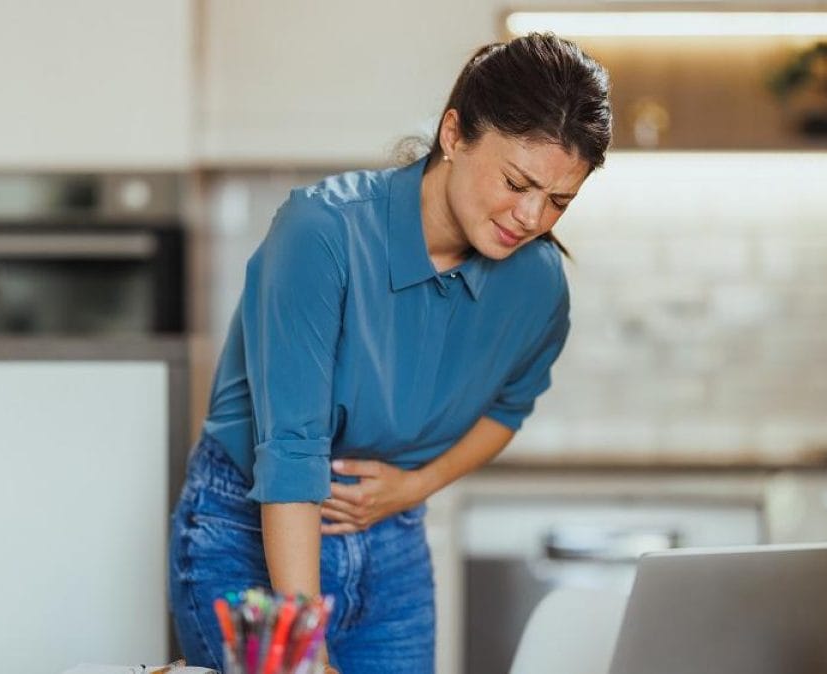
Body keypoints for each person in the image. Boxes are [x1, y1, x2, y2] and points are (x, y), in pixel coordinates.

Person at [169, 32, 612, 674]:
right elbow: (292, 454)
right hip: (248, 536)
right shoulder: (320, 235)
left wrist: (414, 486)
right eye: (518, 182)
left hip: (392, 547)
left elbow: (510, 408)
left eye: (559, 201)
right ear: (454, 135)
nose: (531, 217)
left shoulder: (537, 285)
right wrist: (303, 650)